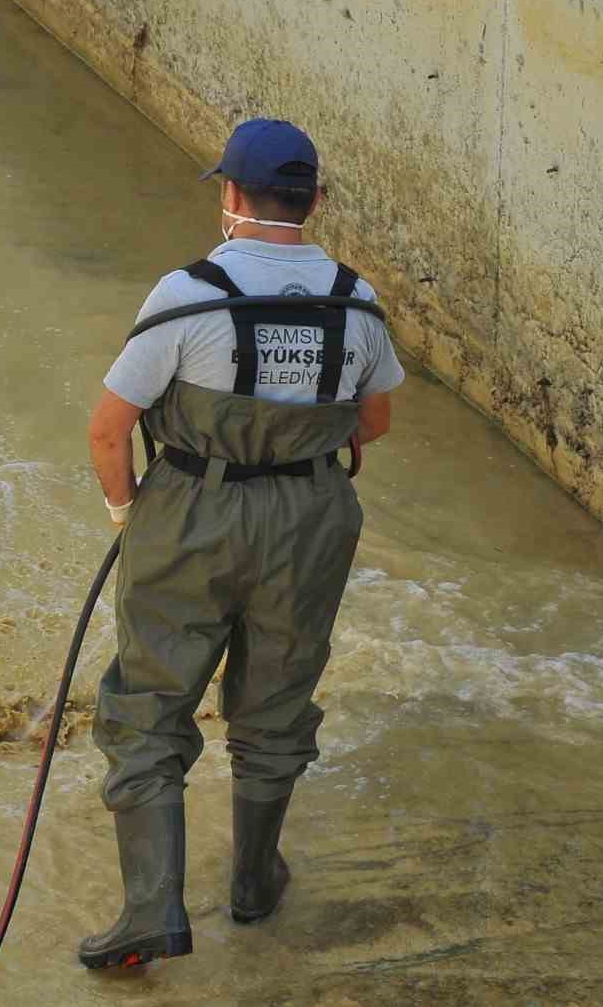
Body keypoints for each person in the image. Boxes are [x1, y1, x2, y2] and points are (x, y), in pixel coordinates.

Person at [79, 118, 405, 969]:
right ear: (315, 201)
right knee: (276, 698)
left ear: (230, 196)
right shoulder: (356, 301)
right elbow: (374, 418)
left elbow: (109, 431)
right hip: (310, 518)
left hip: (193, 510)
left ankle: (153, 912)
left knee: (150, 706)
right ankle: (255, 885)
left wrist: (129, 517)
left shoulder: (187, 295)